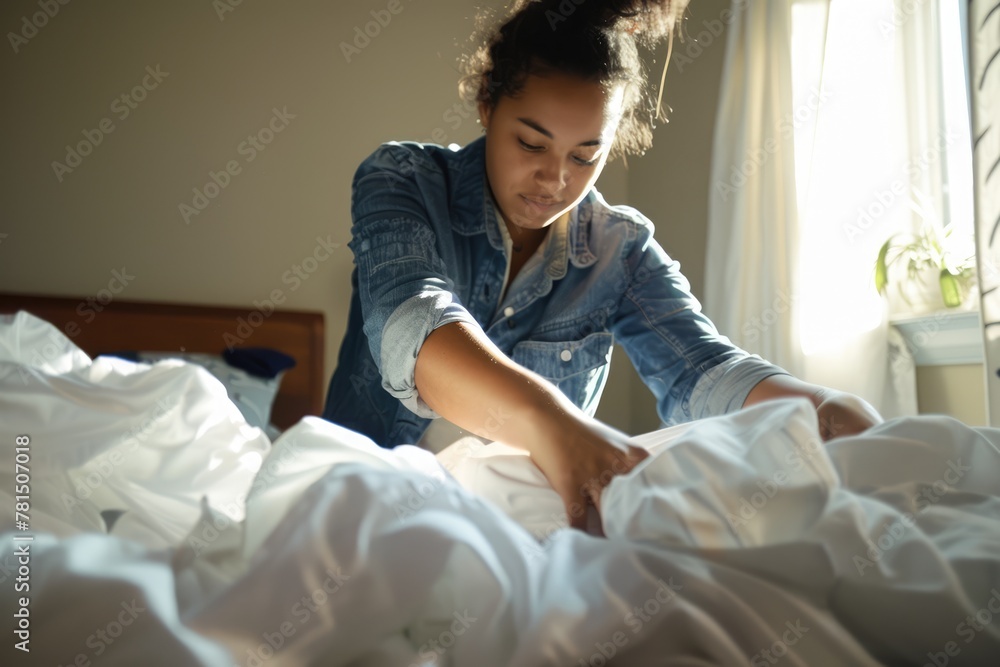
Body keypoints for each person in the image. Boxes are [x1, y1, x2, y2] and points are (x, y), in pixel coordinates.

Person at [323, 0, 882, 528]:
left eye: (586, 155)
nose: (555, 180)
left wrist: (821, 405)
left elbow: (700, 369)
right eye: (531, 144)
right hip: (369, 501)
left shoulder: (621, 249)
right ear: (488, 104)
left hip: (523, 522)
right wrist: (555, 424)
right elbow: (413, 323)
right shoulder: (402, 180)